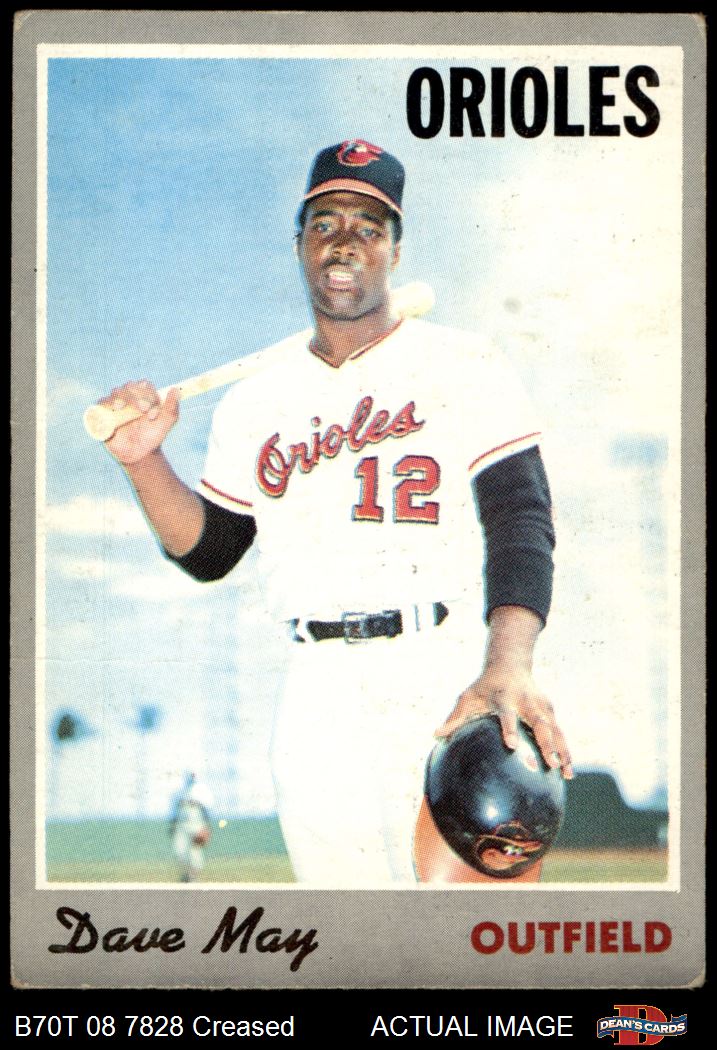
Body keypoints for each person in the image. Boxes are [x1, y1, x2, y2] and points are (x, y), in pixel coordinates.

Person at [98, 139, 572, 886]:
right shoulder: (256, 401)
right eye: (324, 224)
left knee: (464, 926)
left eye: (367, 226)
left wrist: (508, 665)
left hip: (436, 665)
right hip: (313, 688)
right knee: (346, 927)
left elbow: (522, 518)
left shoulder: (463, 363)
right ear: (300, 245)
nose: (344, 241)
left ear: (393, 251)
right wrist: (143, 460)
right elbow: (210, 552)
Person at [168, 772, 213, 883]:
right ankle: (186, 875)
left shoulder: (202, 791)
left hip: (197, 824)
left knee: (195, 853)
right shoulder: (179, 791)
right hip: (182, 825)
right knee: (179, 851)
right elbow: (174, 811)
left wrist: (206, 827)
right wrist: (172, 826)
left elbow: (206, 810)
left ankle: (193, 877)